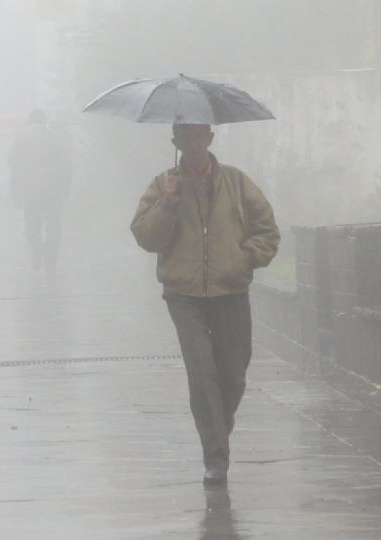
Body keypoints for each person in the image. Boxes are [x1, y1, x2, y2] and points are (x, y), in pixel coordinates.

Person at [130, 123, 280, 485]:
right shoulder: (163, 185)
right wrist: (168, 203)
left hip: (230, 291)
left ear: (210, 138)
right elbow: (145, 236)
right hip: (184, 296)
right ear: (176, 142)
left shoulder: (237, 182)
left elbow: (268, 232)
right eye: (186, 137)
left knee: (234, 374)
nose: (194, 144)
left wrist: (244, 258)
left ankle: (217, 430)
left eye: (200, 136)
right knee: (202, 374)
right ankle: (215, 458)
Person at [8, 109, 72, 272]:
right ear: (45, 120)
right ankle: (50, 260)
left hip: (31, 190)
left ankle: (38, 249)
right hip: (54, 190)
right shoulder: (56, 137)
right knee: (53, 227)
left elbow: (14, 165)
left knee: (31, 227)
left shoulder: (20, 138)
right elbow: (66, 164)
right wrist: (66, 186)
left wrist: (14, 186)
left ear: (30, 121)